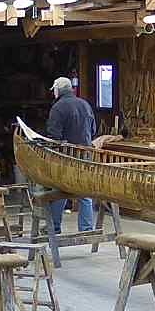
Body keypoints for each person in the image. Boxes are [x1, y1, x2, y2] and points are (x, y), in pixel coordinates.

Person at [45, 76, 95, 234]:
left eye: (54, 90)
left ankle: (54, 227)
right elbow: (93, 130)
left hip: (66, 157)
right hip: (85, 154)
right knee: (85, 193)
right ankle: (86, 229)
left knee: (59, 191)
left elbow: (54, 136)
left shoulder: (58, 108)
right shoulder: (85, 104)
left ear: (58, 90)